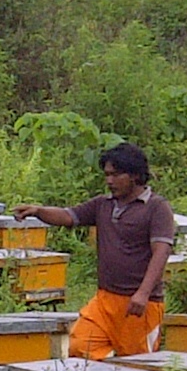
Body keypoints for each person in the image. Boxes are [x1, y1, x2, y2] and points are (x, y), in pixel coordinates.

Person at [12, 142, 175, 359]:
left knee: (138, 366)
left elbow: (161, 252)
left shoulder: (157, 208)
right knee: (80, 346)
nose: (109, 181)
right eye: (107, 175)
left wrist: (143, 293)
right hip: (105, 299)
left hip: (139, 304)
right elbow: (69, 216)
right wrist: (38, 211)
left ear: (135, 175)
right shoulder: (103, 204)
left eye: (116, 175)